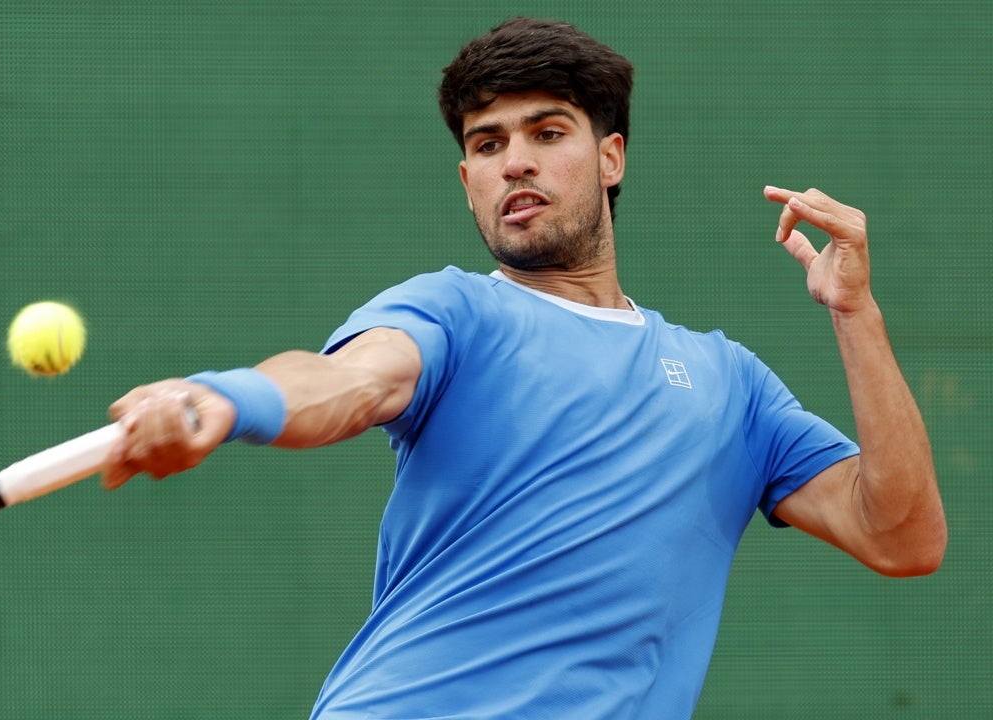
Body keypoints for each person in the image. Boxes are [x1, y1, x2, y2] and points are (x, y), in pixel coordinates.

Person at [102, 17, 947, 720]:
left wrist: (855, 315)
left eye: (547, 134)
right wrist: (222, 399)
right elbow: (353, 382)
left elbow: (903, 537)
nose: (516, 162)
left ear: (610, 158)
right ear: (467, 177)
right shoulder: (455, 312)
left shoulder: (731, 386)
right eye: (488, 143)